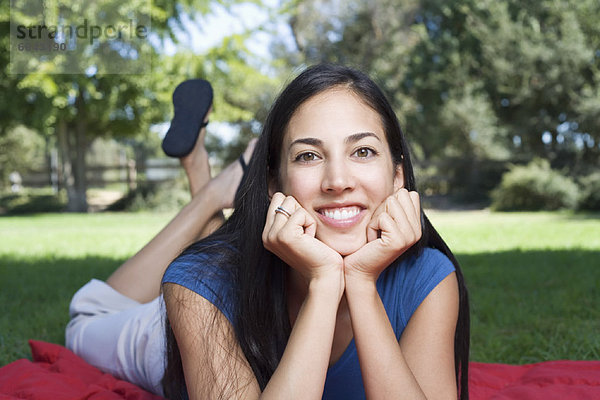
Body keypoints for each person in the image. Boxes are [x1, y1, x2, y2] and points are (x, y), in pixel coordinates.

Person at [161, 64, 470, 400]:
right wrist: (324, 284)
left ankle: (209, 188)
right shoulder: (198, 285)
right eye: (308, 156)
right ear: (273, 182)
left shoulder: (428, 277)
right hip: (149, 341)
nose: (338, 181)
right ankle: (204, 181)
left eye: (362, 151)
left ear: (397, 176)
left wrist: (361, 283)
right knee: (94, 312)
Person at [65, 78, 257, 395]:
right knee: (84, 321)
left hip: (174, 316)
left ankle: (206, 185)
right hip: (166, 324)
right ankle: (206, 184)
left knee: (92, 309)